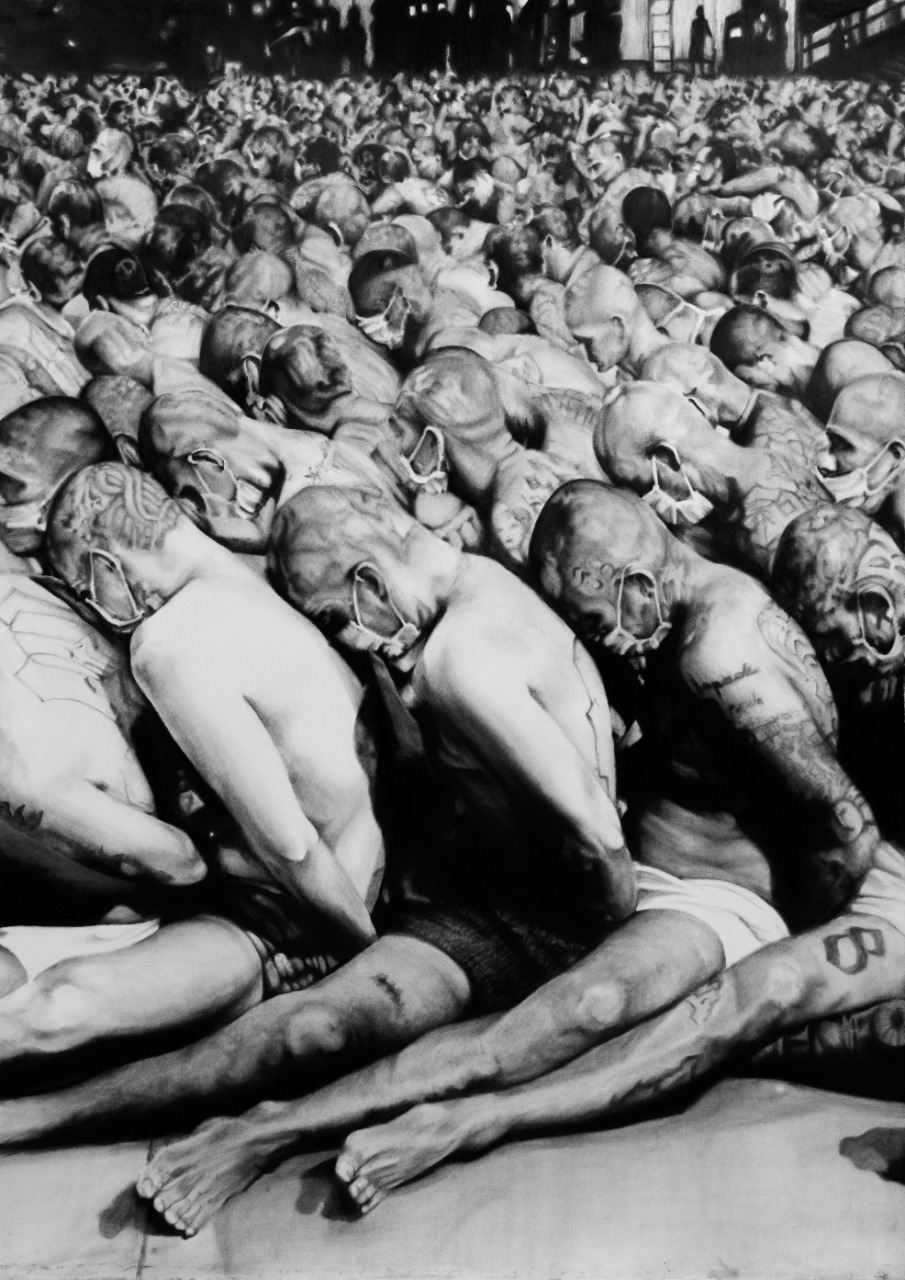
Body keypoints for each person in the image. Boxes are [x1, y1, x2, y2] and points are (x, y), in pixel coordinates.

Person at [689, 6, 715, 78]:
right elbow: (709, 33)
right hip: (697, 42)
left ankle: (697, 74)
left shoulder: (699, 22)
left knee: (697, 59)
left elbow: (708, 32)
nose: (697, 13)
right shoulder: (702, 22)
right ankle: (697, 74)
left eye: (698, 12)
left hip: (697, 42)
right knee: (697, 59)